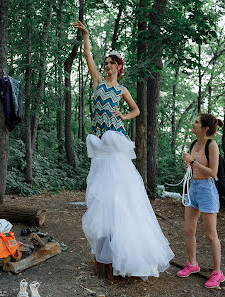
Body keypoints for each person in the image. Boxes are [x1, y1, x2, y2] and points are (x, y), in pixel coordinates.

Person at [73, 20, 174, 279]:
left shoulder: (122, 90)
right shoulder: (97, 82)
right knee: (99, 194)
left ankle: (125, 248)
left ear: (119, 67)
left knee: (120, 195)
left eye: (111, 63)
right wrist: (86, 34)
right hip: (100, 146)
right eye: (105, 62)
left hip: (115, 144)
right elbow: (87, 55)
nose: (106, 66)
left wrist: (123, 115)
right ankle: (105, 247)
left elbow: (137, 110)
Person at [180, 113, 225, 288]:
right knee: (189, 230)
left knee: (210, 234)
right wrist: (188, 165)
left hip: (207, 189)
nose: (193, 124)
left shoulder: (212, 145)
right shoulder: (193, 144)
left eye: (196, 122)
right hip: (193, 188)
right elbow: (193, 167)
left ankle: (218, 273)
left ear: (205, 128)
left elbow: (213, 173)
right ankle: (192, 264)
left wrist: (193, 162)